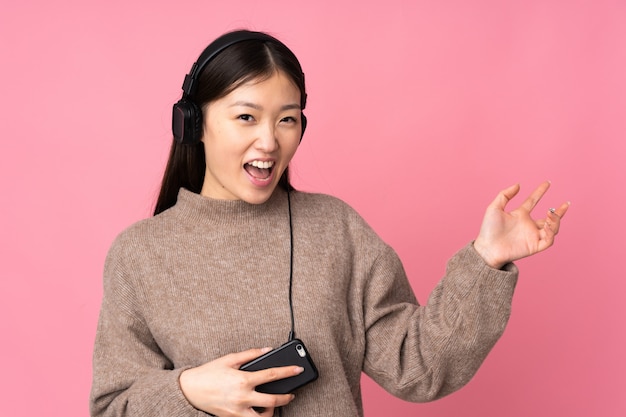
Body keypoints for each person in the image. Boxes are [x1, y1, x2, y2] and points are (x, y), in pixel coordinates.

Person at [89, 29, 569, 417]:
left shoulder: (336, 228)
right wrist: (187, 392)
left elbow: (419, 367)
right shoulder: (140, 254)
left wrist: (486, 260)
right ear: (194, 124)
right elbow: (112, 407)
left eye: (287, 120)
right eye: (246, 117)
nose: (269, 142)